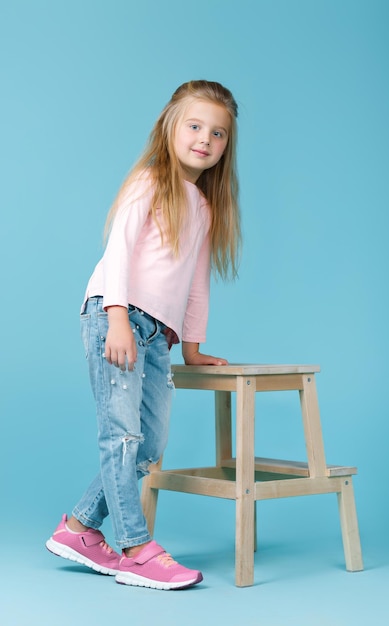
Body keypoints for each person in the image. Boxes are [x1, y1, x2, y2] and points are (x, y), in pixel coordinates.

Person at [46, 80, 241, 590]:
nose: (205, 139)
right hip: (118, 315)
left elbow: (196, 284)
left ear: (226, 145)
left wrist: (192, 348)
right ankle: (134, 547)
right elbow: (119, 251)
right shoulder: (150, 180)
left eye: (217, 133)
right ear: (170, 127)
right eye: (195, 126)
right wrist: (114, 318)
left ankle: (79, 528)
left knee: (149, 447)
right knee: (122, 436)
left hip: (160, 335)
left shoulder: (203, 206)